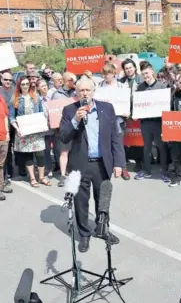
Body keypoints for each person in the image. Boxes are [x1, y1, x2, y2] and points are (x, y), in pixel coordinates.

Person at [59, 77, 123, 253]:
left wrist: (119, 163)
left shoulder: (107, 108)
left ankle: (103, 229)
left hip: (102, 163)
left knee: (103, 199)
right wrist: (75, 120)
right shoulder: (69, 110)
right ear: (76, 93)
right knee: (81, 201)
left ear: (93, 91)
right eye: (81, 91)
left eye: (88, 90)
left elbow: (115, 138)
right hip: (80, 164)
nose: (85, 93)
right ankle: (84, 235)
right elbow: (64, 136)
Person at [9, 76, 51, 187]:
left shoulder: (36, 97)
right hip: (24, 131)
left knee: (40, 154)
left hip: (36, 131)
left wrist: (44, 124)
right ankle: (32, 178)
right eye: (23, 84)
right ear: (19, 86)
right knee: (28, 155)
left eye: (27, 84)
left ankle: (41, 177)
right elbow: (12, 117)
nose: (25, 86)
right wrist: (17, 128)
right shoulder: (15, 99)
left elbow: (42, 113)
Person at [134, 61, 169, 182]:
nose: (145, 76)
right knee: (147, 148)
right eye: (143, 74)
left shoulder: (162, 87)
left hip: (159, 123)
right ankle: (147, 171)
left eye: (147, 73)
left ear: (152, 71)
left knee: (161, 147)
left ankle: (164, 171)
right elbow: (137, 105)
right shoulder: (140, 87)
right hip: (145, 123)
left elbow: (166, 106)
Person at [99, 63, 130, 180]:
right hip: (104, 118)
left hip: (118, 118)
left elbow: (126, 101)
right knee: (106, 143)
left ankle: (123, 168)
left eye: (109, 74)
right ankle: (108, 166)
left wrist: (127, 112)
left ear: (114, 74)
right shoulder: (99, 86)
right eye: (104, 74)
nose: (106, 76)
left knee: (118, 144)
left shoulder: (121, 86)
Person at [52, 72, 77, 187]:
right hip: (63, 127)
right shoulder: (56, 95)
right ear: (66, 80)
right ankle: (63, 175)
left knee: (76, 151)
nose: (74, 82)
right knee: (64, 152)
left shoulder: (77, 92)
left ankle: (74, 172)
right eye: (72, 80)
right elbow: (51, 111)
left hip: (76, 126)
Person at [119, 58, 144, 172]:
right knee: (127, 138)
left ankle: (140, 161)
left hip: (138, 114)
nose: (128, 70)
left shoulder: (142, 79)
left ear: (135, 68)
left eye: (130, 67)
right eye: (126, 68)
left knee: (138, 139)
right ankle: (126, 160)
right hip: (125, 114)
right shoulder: (120, 81)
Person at [37, 78, 59, 177]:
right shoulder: (37, 100)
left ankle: (59, 166)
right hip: (44, 128)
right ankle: (48, 168)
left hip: (55, 127)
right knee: (46, 150)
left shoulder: (53, 97)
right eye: (42, 86)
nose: (45, 87)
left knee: (57, 148)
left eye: (45, 85)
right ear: (38, 88)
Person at [0, 72, 15, 182]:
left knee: (17, 146)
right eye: (5, 79)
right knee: (7, 148)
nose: (8, 82)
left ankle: (18, 168)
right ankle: (8, 170)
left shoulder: (15, 90)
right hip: (4, 122)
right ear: (1, 80)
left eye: (9, 80)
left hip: (15, 122)